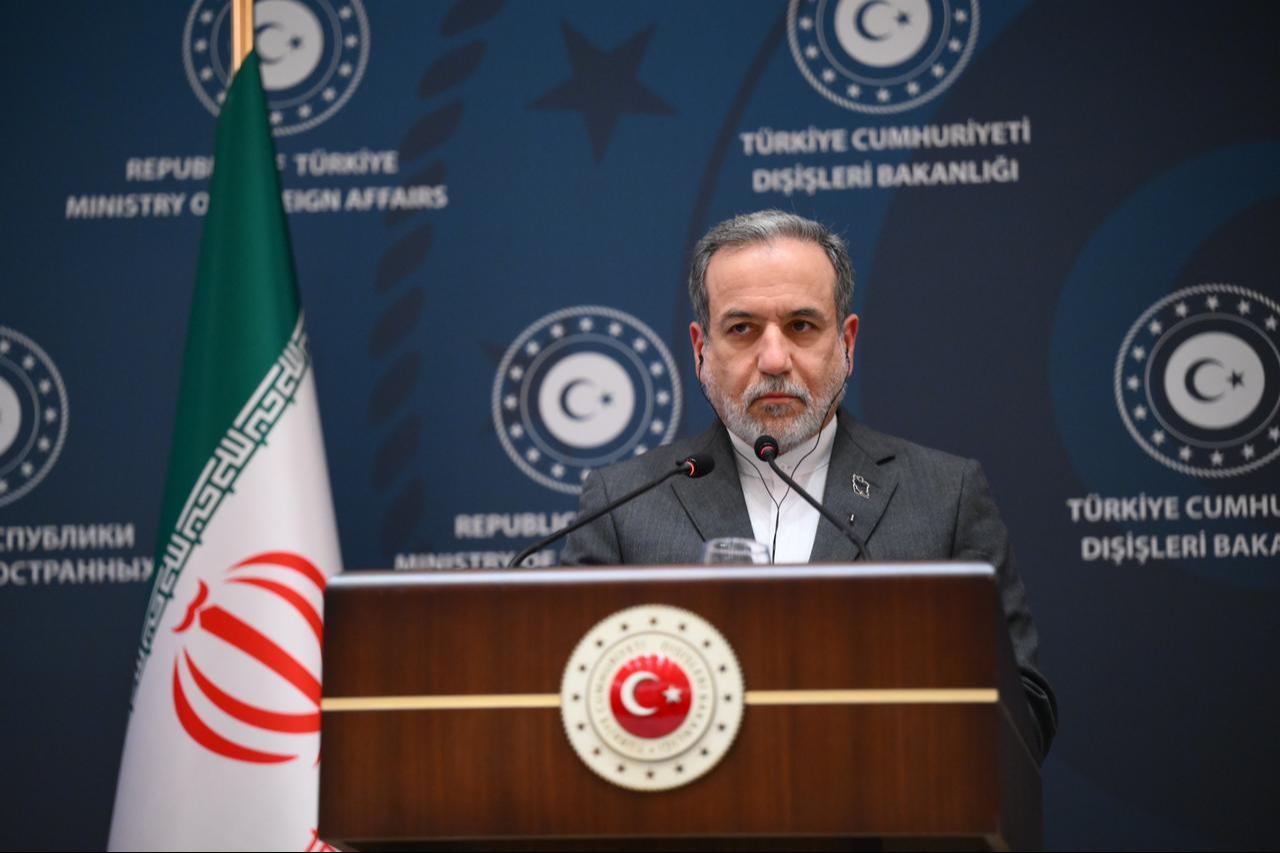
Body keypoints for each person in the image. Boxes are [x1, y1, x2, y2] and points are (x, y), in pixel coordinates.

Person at [560, 209, 1057, 760]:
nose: (774, 360)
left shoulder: (945, 496)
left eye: (801, 326)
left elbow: (1025, 716)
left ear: (847, 342)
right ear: (701, 350)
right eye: (742, 329)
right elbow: (569, 705)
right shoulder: (623, 506)